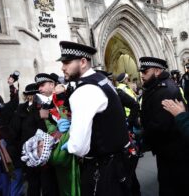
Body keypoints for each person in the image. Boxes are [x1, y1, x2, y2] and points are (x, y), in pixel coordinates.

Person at [57, 41, 131, 196]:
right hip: (119, 162)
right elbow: (102, 116)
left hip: (103, 169)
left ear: (83, 62)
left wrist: (69, 142)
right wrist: (72, 124)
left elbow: (78, 147)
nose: (63, 67)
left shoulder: (84, 91)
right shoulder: (99, 78)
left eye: (67, 62)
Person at [139, 56, 189, 196]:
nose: (142, 75)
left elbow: (162, 124)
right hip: (166, 149)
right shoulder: (156, 87)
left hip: (173, 149)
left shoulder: (166, 90)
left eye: (145, 72)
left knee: (172, 185)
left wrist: (143, 135)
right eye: (141, 72)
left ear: (156, 71)